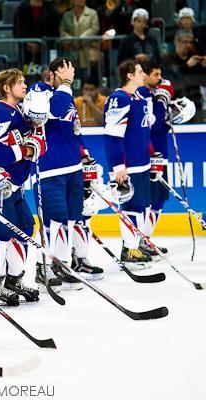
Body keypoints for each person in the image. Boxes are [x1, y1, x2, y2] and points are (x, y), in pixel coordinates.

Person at [30, 57, 102, 290]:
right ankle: (45, 267)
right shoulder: (39, 90)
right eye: (62, 73)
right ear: (50, 75)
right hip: (51, 168)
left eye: (69, 73)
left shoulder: (65, 96)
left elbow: (74, 128)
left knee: (72, 217)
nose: (67, 77)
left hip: (73, 166)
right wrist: (65, 85)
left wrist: (84, 153)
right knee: (54, 218)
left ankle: (61, 264)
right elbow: (57, 111)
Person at [0, 68, 45, 305]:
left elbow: (38, 148)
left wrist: (36, 141)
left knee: (24, 227)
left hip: (18, 185)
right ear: (6, 88)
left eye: (24, 81)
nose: (25, 86)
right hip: (2, 185)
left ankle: (14, 278)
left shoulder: (24, 112)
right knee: (3, 233)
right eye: (19, 83)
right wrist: (24, 150)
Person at [104, 60, 153, 264]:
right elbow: (113, 135)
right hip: (128, 165)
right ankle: (129, 250)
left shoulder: (139, 98)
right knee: (131, 207)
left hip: (142, 162)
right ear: (129, 75)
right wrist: (118, 166)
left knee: (143, 205)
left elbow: (144, 130)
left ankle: (137, 243)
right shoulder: (119, 99)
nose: (144, 75)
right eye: (140, 72)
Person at [140, 59, 173, 255]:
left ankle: (146, 240)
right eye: (156, 75)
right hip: (150, 156)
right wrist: (161, 103)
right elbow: (154, 125)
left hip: (161, 155)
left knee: (159, 199)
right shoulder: (144, 96)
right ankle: (140, 242)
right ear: (145, 75)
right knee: (149, 200)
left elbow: (162, 125)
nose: (160, 79)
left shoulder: (153, 95)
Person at [59, 0, 100, 70]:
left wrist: (82, 38)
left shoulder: (92, 13)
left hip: (87, 50)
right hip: (71, 50)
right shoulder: (67, 15)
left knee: (87, 76)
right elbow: (62, 29)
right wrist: (70, 39)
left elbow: (95, 28)